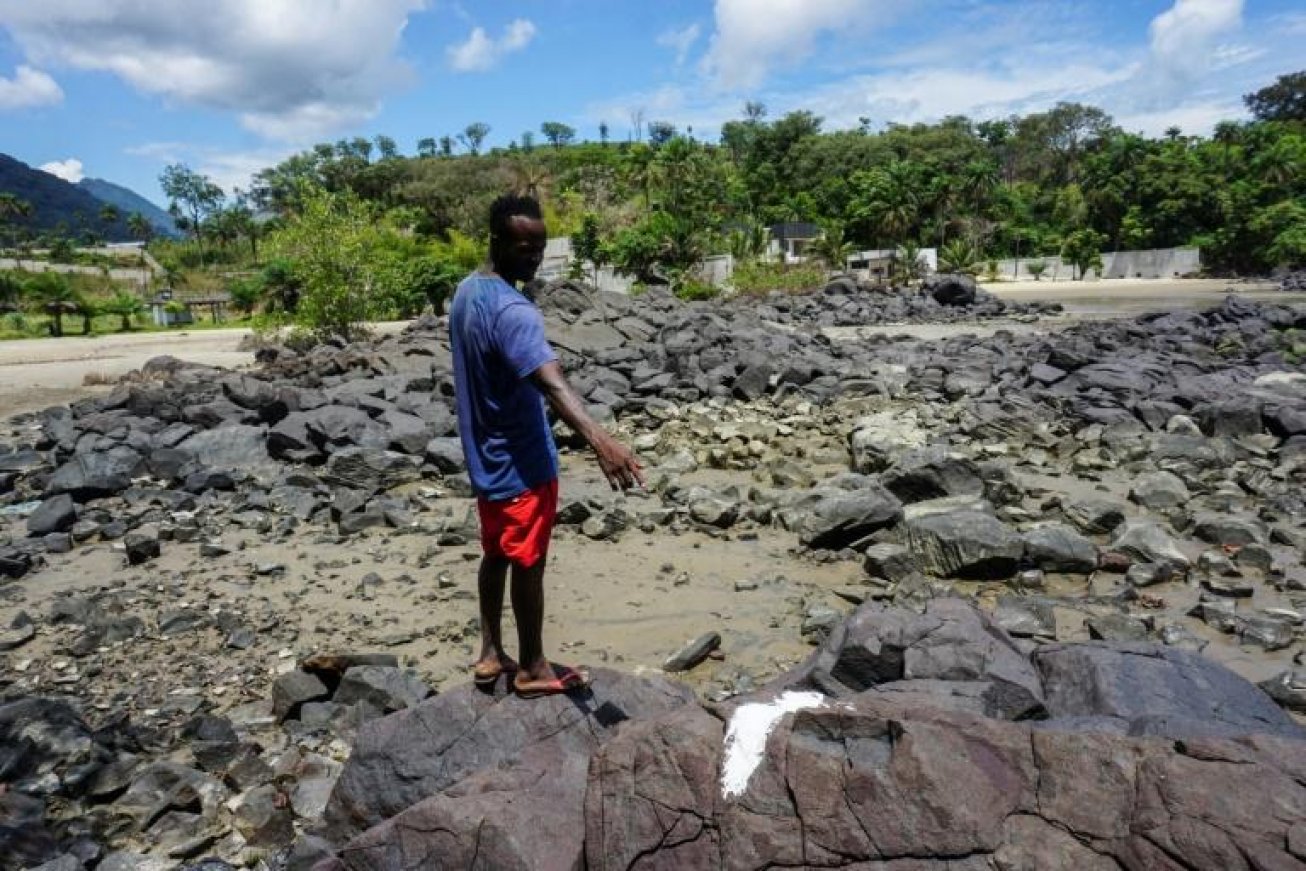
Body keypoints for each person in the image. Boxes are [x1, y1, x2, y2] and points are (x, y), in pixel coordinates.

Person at [449, 193, 644, 698]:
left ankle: (490, 652)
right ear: (496, 241)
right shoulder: (515, 312)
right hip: (520, 462)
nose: (533, 257)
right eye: (523, 247)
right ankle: (533, 666)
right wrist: (601, 439)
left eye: (540, 247)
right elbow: (552, 382)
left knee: (496, 553)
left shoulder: (469, 291)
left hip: (485, 458)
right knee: (528, 561)